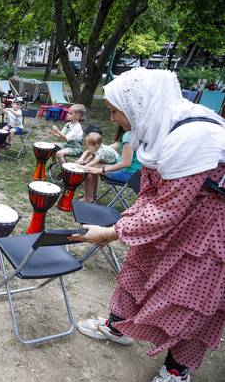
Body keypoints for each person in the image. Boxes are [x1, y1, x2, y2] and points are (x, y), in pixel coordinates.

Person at [71, 68, 225, 382]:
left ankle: (176, 369)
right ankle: (118, 327)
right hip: (176, 213)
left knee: (187, 298)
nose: (111, 118)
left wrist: (113, 231)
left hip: (207, 230)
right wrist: (126, 224)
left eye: (115, 111)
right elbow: (151, 194)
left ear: (139, 106)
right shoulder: (157, 127)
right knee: (137, 268)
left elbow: (168, 210)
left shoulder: (193, 138)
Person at [79, 126, 142, 202]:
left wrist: (101, 170)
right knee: (93, 167)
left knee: (90, 170)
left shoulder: (128, 136)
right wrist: (95, 154)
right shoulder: (133, 133)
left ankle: (88, 198)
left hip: (129, 174)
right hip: (132, 172)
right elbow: (107, 148)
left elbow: (126, 164)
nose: (112, 120)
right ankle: (92, 195)